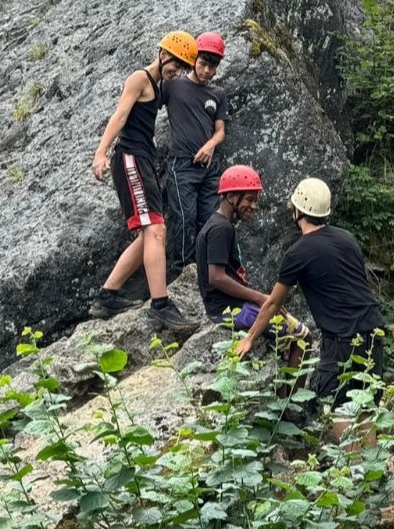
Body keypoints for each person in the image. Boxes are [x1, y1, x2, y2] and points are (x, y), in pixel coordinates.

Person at [235, 177, 385, 442]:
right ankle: (370, 467)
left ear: (298, 210)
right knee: (366, 407)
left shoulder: (298, 252)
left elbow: (273, 303)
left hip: (341, 338)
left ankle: (349, 467)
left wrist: (249, 338)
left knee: (340, 407)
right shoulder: (348, 239)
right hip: (373, 329)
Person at [89, 31, 199, 328]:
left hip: (143, 160)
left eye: (183, 68)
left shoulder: (158, 85)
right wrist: (100, 152)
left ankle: (106, 297)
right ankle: (160, 305)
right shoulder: (139, 78)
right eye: (176, 64)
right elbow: (120, 115)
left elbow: (141, 118)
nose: (178, 72)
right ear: (163, 55)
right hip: (130, 158)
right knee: (156, 230)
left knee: (148, 234)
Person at [195, 165, 309, 369]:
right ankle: (290, 389)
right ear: (231, 196)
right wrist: (260, 298)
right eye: (249, 199)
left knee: (285, 326)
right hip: (229, 310)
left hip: (229, 306)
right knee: (302, 336)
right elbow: (216, 277)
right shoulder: (221, 228)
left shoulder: (219, 224)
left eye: (255, 200)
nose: (254, 206)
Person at [164, 32, 230, 273]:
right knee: (184, 218)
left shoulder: (217, 94)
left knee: (211, 220)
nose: (206, 71)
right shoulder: (173, 85)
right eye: (202, 64)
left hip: (209, 169)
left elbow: (220, 131)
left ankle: (206, 272)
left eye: (212, 67)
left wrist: (211, 144)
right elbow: (149, 102)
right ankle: (180, 272)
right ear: (193, 60)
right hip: (181, 164)